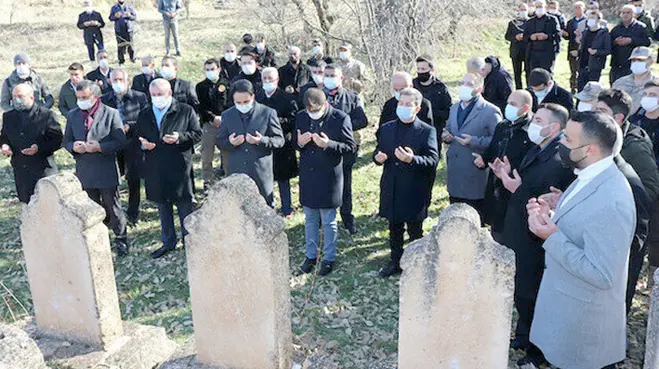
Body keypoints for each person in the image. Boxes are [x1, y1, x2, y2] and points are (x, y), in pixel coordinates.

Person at [526, 110, 635, 369]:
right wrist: (557, 210)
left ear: (590, 150)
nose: (561, 143)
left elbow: (602, 274)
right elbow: (586, 225)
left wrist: (550, 236)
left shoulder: (613, 200)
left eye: (567, 140)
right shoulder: (590, 174)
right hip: (566, 310)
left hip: (583, 327)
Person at [490, 104, 574, 365]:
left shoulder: (561, 159)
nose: (533, 124)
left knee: (533, 292)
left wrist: (518, 188)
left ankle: (539, 351)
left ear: (554, 127)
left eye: (538, 120)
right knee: (521, 289)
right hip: (519, 229)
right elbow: (524, 183)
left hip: (537, 239)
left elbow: (550, 198)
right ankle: (524, 334)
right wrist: (505, 176)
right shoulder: (537, 148)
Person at [374, 88, 439, 277]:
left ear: (417, 108)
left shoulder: (427, 131)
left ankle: (417, 263)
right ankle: (395, 261)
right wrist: (377, 158)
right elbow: (378, 153)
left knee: (414, 231)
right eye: (400, 103)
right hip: (391, 186)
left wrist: (412, 159)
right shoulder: (386, 129)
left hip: (413, 188)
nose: (403, 107)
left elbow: (433, 160)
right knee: (394, 228)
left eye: (408, 104)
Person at [137, 79, 201, 258]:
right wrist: (144, 145)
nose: (157, 98)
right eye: (154, 95)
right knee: (163, 205)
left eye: (160, 94)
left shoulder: (185, 110)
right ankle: (168, 241)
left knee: (184, 205)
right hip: (156, 164)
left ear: (170, 93)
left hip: (178, 164)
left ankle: (190, 241)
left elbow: (197, 134)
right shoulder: (145, 114)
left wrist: (180, 137)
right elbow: (138, 137)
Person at [63, 80, 128, 256]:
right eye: (78, 98)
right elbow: (66, 140)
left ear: (95, 96)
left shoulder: (111, 113)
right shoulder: (73, 115)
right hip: (85, 170)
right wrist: (73, 147)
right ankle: (97, 239)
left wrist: (100, 146)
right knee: (91, 207)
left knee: (112, 207)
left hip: (105, 168)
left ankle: (121, 239)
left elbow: (121, 141)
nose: (81, 101)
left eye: (84, 97)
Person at [296, 88, 355, 276]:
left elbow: (349, 147)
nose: (312, 114)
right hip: (308, 174)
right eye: (309, 111)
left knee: (328, 219)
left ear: (325, 104)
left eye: (316, 110)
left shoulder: (340, 118)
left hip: (329, 175)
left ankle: (329, 258)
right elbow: (294, 144)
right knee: (310, 218)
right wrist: (300, 142)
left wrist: (328, 144)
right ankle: (311, 256)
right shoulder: (301, 117)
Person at [473, 90, 534, 241]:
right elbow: (492, 150)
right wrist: (483, 160)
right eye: (508, 103)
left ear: (525, 108)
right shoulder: (502, 127)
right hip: (496, 190)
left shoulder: (532, 132)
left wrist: (510, 172)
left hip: (517, 192)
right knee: (496, 234)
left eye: (513, 104)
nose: (508, 107)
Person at [442, 73, 502, 218]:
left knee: (474, 218)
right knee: (454, 216)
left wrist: (474, 141)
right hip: (455, 172)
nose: (463, 87)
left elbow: (499, 141)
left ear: (479, 88)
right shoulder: (455, 108)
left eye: (469, 84)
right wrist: (446, 137)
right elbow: (449, 129)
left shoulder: (490, 111)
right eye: (462, 83)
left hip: (475, 173)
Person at [216, 80, 284, 206]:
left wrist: (262, 140)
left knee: (264, 209)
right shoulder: (227, 115)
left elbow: (279, 140)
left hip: (260, 172)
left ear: (253, 96)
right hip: (237, 171)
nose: (242, 105)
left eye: (246, 102)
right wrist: (230, 142)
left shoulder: (268, 113)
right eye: (238, 103)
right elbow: (220, 141)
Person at [323, 64, 368, 234]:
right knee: (323, 184)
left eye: (332, 75)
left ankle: (348, 219)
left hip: (345, 149)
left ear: (340, 77)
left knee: (345, 186)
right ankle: (324, 219)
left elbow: (362, 120)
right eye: (326, 75)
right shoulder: (318, 96)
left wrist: (344, 126)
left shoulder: (352, 97)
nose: (329, 78)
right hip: (323, 149)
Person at [101, 68, 148, 225]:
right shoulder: (104, 99)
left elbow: (146, 119)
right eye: (115, 80)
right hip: (113, 145)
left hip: (133, 144)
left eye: (121, 79)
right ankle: (114, 213)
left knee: (133, 180)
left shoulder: (139, 97)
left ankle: (133, 213)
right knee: (112, 179)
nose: (118, 83)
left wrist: (130, 126)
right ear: (110, 81)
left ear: (127, 81)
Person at [0, 84, 62, 203]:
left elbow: (57, 140)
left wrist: (39, 148)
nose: (17, 100)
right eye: (14, 96)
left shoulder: (46, 115)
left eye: (20, 96)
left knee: (48, 206)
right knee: (28, 205)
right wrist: (4, 145)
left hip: (43, 170)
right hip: (21, 171)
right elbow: (4, 136)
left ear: (32, 97)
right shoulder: (9, 116)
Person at [594, 89, 659, 201]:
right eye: (596, 109)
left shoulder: (635, 147)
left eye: (602, 111)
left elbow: (650, 189)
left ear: (618, 118)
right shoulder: (598, 135)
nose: (596, 115)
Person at [256, 67, 299, 216]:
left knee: (283, 178)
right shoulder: (257, 97)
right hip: (262, 143)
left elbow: (293, 120)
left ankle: (287, 207)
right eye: (264, 79)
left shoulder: (287, 99)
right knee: (265, 177)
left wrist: (274, 122)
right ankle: (268, 207)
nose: (267, 81)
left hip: (282, 144)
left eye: (270, 79)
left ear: (277, 80)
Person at [629, 81, 659, 289]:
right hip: (636, 182)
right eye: (646, 93)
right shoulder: (637, 117)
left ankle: (653, 276)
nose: (648, 97)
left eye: (654, 94)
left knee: (656, 235)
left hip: (654, 183)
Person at [196, 58, 230, 192]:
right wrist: (212, 118)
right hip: (209, 124)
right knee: (207, 154)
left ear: (219, 69)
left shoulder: (227, 84)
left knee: (227, 155)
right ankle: (207, 182)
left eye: (212, 69)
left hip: (226, 124)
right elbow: (202, 106)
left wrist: (223, 118)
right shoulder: (200, 86)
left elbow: (230, 103)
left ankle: (228, 180)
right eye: (207, 69)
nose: (210, 72)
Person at [413, 55, 452, 145]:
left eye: (423, 69)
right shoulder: (412, 86)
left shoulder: (441, 88)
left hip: (435, 131)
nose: (420, 72)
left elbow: (448, 111)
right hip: (414, 131)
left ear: (432, 70)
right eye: (418, 69)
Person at [609, 4, 652, 84]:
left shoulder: (641, 27)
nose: (625, 15)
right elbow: (608, 45)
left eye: (628, 12)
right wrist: (615, 42)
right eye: (623, 13)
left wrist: (631, 41)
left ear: (634, 14)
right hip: (617, 65)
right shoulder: (616, 29)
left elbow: (647, 42)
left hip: (633, 65)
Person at [612, 46, 659, 114]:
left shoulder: (656, 84)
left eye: (640, 60)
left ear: (651, 61)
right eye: (633, 60)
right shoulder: (619, 82)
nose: (636, 63)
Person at [524, 0, 561, 75]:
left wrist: (547, 36)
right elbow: (525, 36)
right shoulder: (530, 21)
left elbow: (558, 35)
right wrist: (531, 37)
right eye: (537, 7)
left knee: (547, 74)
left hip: (547, 53)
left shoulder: (552, 20)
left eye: (541, 6)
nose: (539, 8)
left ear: (546, 7)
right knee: (534, 74)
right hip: (533, 53)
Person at [577, 10, 610, 90]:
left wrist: (596, 52)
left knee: (592, 90)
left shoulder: (604, 34)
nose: (590, 20)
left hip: (595, 67)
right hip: (582, 65)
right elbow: (583, 48)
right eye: (589, 18)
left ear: (599, 20)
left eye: (592, 18)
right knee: (580, 88)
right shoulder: (585, 32)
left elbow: (608, 50)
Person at [505, 3, 530, 89]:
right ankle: (519, 89)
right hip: (516, 51)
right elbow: (507, 36)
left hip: (527, 51)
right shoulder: (512, 23)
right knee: (517, 72)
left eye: (525, 10)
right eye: (521, 10)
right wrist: (515, 37)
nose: (523, 12)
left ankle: (529, 89)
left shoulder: (531, 22)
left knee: (528, 72)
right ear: (518, 11)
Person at [563, 1, 586, 94]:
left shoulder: (587, 21)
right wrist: (564, 34)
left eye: (579, 7)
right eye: (575, 8)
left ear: (584, 9)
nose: (577, 10)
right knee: (573, 70)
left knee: (582, 69)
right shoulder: (570, 22)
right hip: (573, 47)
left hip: (584, 48)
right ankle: (573, 88)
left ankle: (582, 87)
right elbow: (567, 36)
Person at [109, 0, 137, 66]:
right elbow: (110, 18)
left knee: (130, 45)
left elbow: (134, 17)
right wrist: (115, 16)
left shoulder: (129, 6)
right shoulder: (114, 7)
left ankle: (132, 59)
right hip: (119, 30)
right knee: (120, 46)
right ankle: (121, 61)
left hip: (129, 29)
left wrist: (129, 15)